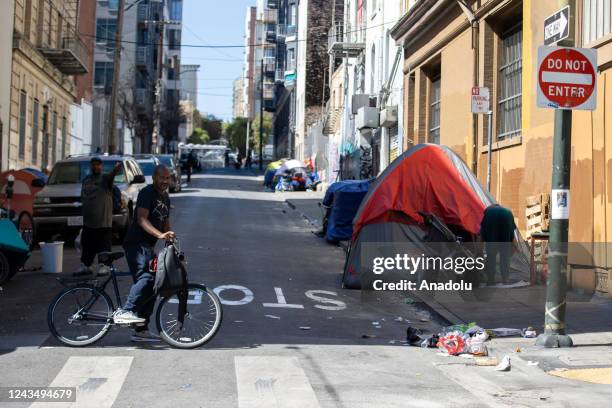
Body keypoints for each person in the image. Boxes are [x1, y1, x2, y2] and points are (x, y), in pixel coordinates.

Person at [113, 165, 175, 342]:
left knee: (155, 284)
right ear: (154, 178)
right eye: (162, 178)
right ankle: (126, 311)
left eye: (167, 178)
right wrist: (160, 235)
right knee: (146, 278)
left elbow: (166, 223)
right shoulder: (147, 193)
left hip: (148, 246)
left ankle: (140, 329)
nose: (165, 181)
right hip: (136, 244)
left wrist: (170, 242)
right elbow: (141, 219)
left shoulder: (165, 198)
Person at [79, 158, 122, 274]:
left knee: (103, 245)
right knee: (87, 245)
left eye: (98, 165)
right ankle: (86, 266)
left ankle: (105, 266)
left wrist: (115, 170)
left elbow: (111, 176)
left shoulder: (105, 179)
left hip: (103, 221)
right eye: (93, 165)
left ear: (101, 166)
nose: (95, 167)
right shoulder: (86, 180)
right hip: (88, 221)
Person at [479, 204, 516, 285]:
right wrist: (513, 247)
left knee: (491, 256)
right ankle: (505, 279)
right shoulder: (508, 212)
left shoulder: (487, 212)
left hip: (492, 234)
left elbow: (482, 235)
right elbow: (512, 233)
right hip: (506, 228)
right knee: (505, 257)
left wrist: (480, 252)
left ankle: (490, 280)